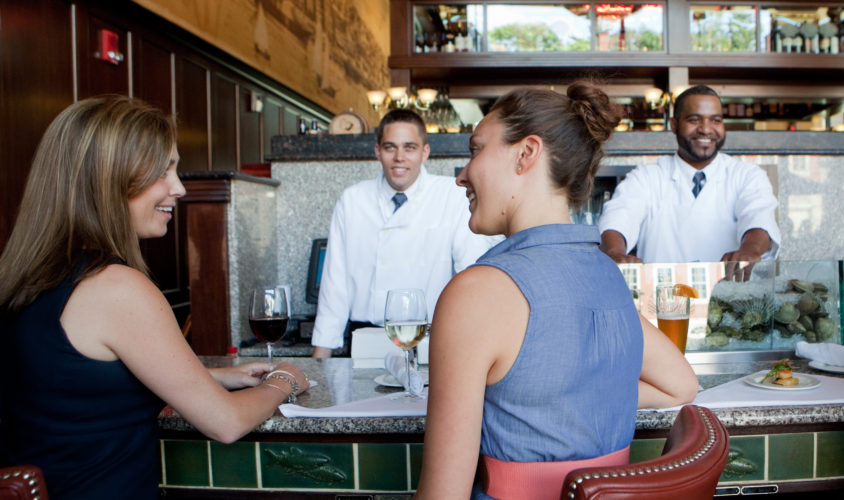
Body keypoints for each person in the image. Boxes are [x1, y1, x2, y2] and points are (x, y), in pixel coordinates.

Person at [0, 96, 309, 499]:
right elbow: (226, 422)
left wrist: (212, 377)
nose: (179, 188)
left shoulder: (28, 276)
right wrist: (285, 380)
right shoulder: (115, 287)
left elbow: (71, 388)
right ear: (109, 178)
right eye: (164, 170)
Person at [416, 82, 699, 499]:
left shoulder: (475, 293)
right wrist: (565, 401)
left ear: (526, 153)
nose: (462, 175)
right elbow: (680, 384)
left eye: (475, 149)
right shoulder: (607, 275)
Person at [310, 109, 497, 357]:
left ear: (425, 152)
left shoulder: (451, 196)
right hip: (364, 341)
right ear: (377, 151)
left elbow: (471, 273)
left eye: (409, 147)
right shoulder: (352, 199)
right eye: (390, 147)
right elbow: (335, 284)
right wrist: (320, 360)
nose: (400, 157)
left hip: (431, 342)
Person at [597, 85, 781, 263]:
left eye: (716, 120)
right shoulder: (646, 177)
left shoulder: (747, 175)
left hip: (730, 293)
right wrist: (615, 252)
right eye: (694, 120)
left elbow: (759, 217)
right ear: (674, 125)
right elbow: (620, 216)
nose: (706, 129)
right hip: (662, 293)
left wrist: (750, 250)